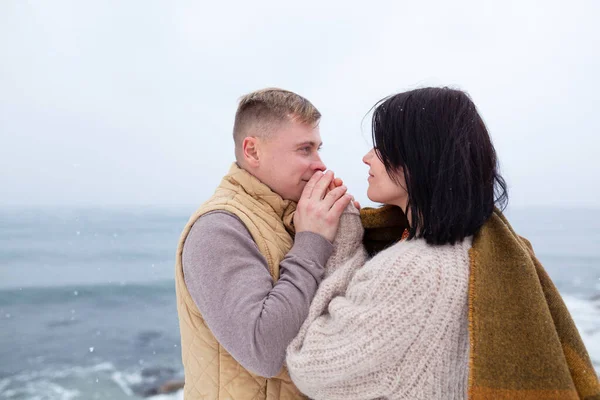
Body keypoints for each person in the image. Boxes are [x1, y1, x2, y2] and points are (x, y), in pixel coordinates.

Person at [286, 87, 600, 400]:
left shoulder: (415, 271)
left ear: (419, 155)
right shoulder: (476, 243)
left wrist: (340, 240)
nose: (368, 157)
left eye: (382, 147)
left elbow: (310, 367)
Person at [174, 88, 353, 400]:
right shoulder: (218, 227)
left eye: (318, 148)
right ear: (253, 152)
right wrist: (312, 241)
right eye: (305, 149)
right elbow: (264, 351)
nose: (320, 165)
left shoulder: (288, 216)